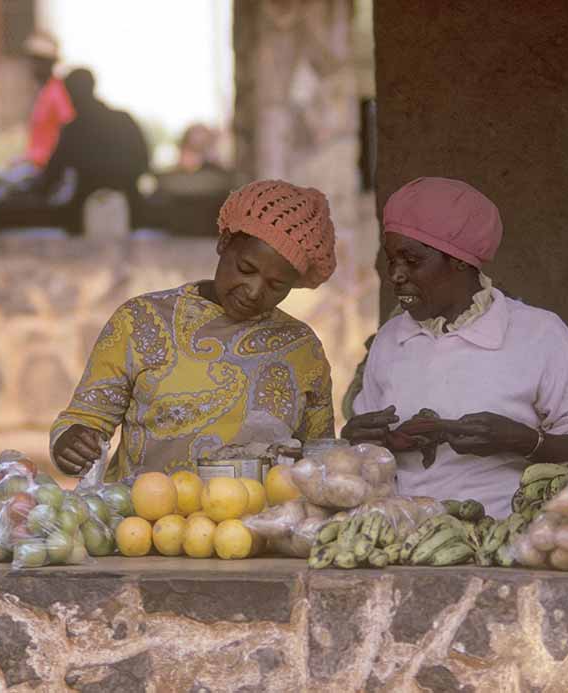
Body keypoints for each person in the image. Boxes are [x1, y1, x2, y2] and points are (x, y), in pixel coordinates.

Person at [343, 177, 568, 517]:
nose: (396, 275)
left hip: (503, 540)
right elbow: (365, 457)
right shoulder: (390, 338)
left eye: (411, 261)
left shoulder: (537, 334)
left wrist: (525, 442)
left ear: (459, 260)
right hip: (400, 535)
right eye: (391, 260)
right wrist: (363, 439)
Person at [51, 180, 337, 477]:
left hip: (259, 523)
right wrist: (72, 443)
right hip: (143, 521)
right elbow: (86, 420)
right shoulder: (142, 321)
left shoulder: (302, 349)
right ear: (224, 243)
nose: (253, 291)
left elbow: (319, 461)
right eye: (246, 269)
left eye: (276, 285)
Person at [39, 68, 150, 235]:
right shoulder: (124, 120)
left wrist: (38, 191)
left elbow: (53, 173)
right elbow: (144, 161)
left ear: (69, 93)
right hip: (130, 207)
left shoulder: (73, 130)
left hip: (84, 210)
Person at [22, 31, 75, 170]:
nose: (31, 65)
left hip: (46, 169)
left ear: (48, 63)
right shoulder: (44, 92)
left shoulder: (57, 91)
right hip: (35, 164)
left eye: (37, 61)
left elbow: (67, 130)